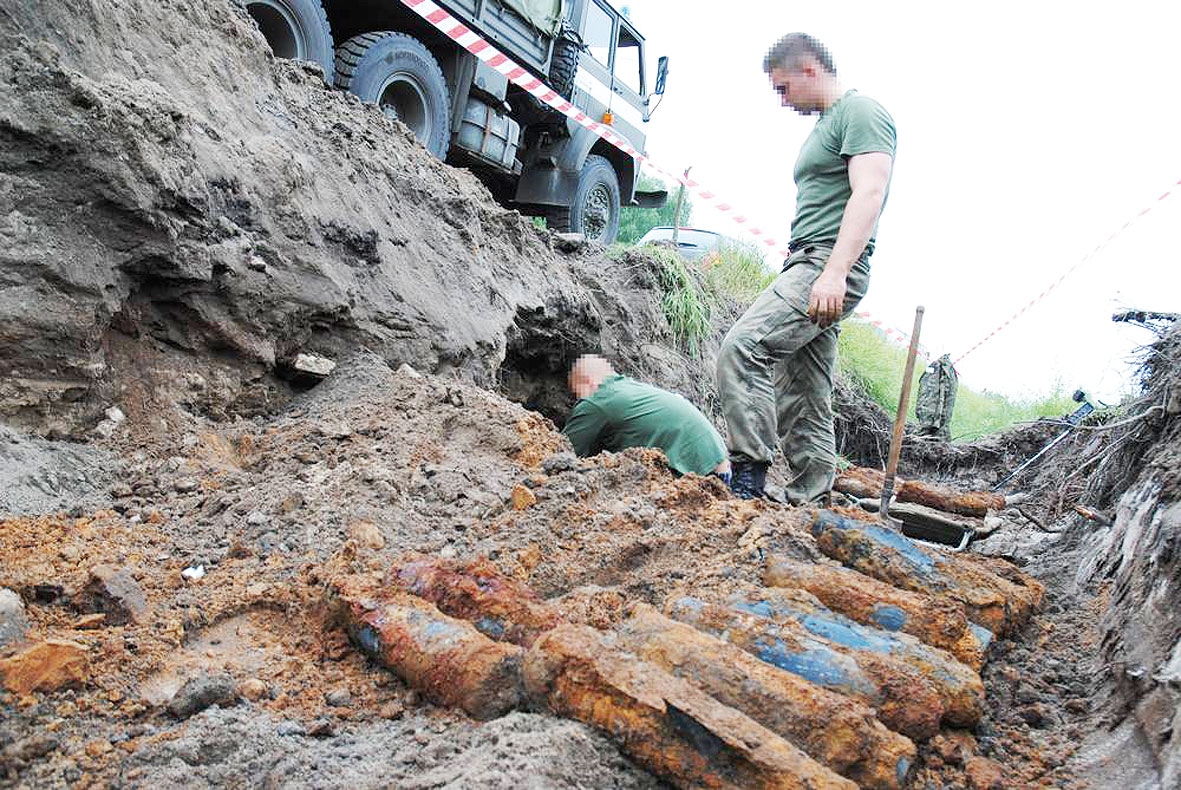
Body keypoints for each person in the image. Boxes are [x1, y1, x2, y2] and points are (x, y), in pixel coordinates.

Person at [716, 33, 896, 503]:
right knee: (804, 389)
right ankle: (812, 501)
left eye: (783, 87)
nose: (783, 100)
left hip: (826, 263)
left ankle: (748, 480)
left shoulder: (861, 112)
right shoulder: (828, 124)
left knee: (743, 347)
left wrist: (834, 273)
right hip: (810, 261)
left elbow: (870, 193)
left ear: (810, 68)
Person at [562, 354, 731, 480]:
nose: (578, 401)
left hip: (697, 475)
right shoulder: (632, 389)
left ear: (588, 381)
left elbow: (563, 452)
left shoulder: (598, 400)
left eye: (577, 393)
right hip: (720, 463)